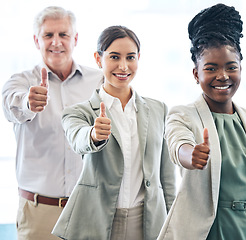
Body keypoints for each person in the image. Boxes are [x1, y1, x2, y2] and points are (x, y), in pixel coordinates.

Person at [158, 3, 246, 240]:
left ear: (241, 68)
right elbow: (177, 143)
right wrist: (189, 155)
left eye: (231, 67)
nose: (222, 76)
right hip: (205, 233)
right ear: (196, 73)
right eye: (211, 68)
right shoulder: (181, 114)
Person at [51, 25, 176, 240]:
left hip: (148, 223)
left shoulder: (158, 110)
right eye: (114, 57)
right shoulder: (78, 112)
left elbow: (167, 176)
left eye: (130, 57)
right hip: (97, 222)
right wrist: (93, 135)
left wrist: (174, 225)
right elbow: (77, 138)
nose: (123, 66)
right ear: (98, 59)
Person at [1, 6, 103, 240]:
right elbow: (11, 106)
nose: (56, 42)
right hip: (39, 214)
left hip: (88, 210)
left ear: (75, 39)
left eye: (63, 35)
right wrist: (29, 102)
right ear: (37, 41)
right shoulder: (20, 82)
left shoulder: (98, 81)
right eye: (48, 35)